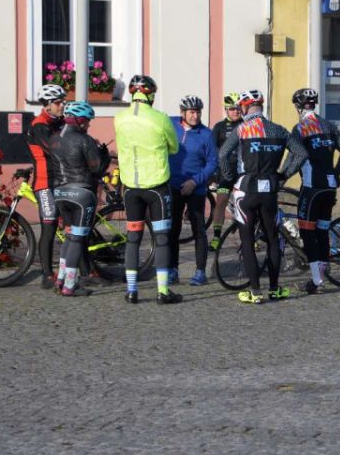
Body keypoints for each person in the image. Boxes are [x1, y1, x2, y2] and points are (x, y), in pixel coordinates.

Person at [217, 89, 304, 304]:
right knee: (273, 240)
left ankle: (255, 292)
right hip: (269, 191)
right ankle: (274, 289)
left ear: (245, 107)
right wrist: (283, 175)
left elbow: (222, 154)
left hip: (245, 191)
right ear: (261, 106)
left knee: (247, 241)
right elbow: (301, 153)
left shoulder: (241, 129)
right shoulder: (279, 130)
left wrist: (230, 177)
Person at [113, 74, 182, 305]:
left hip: (131, 188)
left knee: (133, 238)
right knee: (161, 239)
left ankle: (132, 291)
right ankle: (163, 291)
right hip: (156, 186)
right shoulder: (161, 119)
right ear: (150, 95)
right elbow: (174, 148)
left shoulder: (119, 119)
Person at [288, 88, 340, 295]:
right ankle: (321, 275)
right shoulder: (329, 125)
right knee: (322, 231)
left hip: (311, 188)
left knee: (307, 233)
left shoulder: (299, 129)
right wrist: (335, 173)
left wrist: (281, 176)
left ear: (298, 106)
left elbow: (295, 157)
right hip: (329, 188)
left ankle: (316, 280)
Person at [50, 101, 110, 297]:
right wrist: (104, 155)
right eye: (88, 121)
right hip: (82, 194)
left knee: (69, 237)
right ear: (80, 120)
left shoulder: (54, 139)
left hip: (60, 193)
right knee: (77, 239)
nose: (89, 125)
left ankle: (60, 279)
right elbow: (96, 168)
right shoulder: (85, 140)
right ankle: (70, 285)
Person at [168, 95, 218, 286]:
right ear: (182, 113)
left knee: (199, 230)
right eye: (191, 112)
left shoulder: (206, 134)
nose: (195, 116)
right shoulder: (171, 124)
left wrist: (195, 181)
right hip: (173, 185)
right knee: (173, 229)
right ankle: (173, 270)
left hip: (195, 187)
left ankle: (200, 272)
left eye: (198, 112)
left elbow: (212, 162)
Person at [26, 83, 66, 288]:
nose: (62, 106)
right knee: (49, 228)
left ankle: (84, 270)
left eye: (63, 102)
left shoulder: (58, 122)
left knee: (71, 227)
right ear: (47, 104)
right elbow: (56, 149)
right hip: (45, 183)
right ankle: (47, 275)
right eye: (58, 103)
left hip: (61, 180)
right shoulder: (40, 125)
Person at [209, 91, 243, 250]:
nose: (235, 112)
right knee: (221, 201)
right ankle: (216, 237)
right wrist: (213, 173)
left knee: (245, 205)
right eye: (232, 109)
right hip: (225, 173)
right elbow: (212, 150)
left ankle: (250, 237)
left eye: (237, 108)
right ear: (226, 110)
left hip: (243, 172)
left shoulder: (246, 124)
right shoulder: (219, 127)